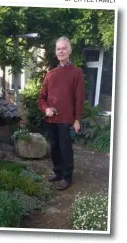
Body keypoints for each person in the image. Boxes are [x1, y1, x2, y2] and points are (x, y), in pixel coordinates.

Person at [37, 36, 85, 190]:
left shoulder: (76, 72)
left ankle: (67, 176)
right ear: (55, 52)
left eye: (64, 48)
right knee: (54, 147)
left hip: (66, 119)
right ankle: (57, 172)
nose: (61, 51)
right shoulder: (50, 74)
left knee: (65, 148)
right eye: (58, 49)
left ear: (70, 51)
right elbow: (41, 98)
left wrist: (77, 119)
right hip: (52, 119)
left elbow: (79, 98)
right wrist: (46, 109)